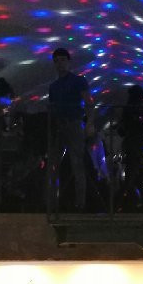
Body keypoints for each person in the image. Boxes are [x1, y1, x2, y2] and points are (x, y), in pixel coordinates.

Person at [48, 47, 95, 211]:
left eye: (62, 60)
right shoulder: (53, 86)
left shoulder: (78, 80)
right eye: (56, 61)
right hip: (59, 125)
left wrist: (90, 123)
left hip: (74, 124)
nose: (59, 64)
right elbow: (53, 108)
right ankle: (54, 202)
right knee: (54, 164)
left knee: (77, 164)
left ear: (68, 62)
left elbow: (89, 102)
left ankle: (80, 204)